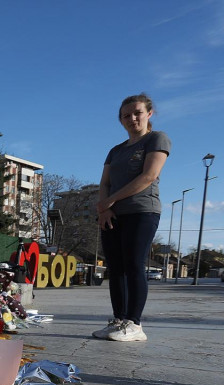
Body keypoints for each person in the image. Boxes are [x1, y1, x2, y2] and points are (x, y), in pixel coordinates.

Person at [92, 93, 170, 342]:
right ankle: (118, 320)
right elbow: (105, 182)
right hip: (112, 214)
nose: (132, 118)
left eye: (137, 112)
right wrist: (104, 209)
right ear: (121, 120)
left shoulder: (156, 139)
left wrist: (110, 201)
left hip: (142, 211)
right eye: (126, 115)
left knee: (134, 264)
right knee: (115, 268)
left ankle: (135, 324)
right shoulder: (115, 151)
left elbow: (148, 176)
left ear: (149, 114)